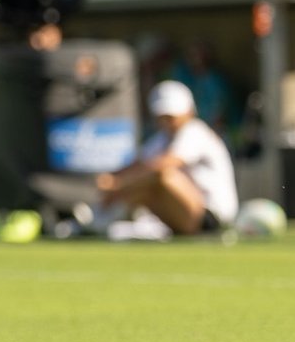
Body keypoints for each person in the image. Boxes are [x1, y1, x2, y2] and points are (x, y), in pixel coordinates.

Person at [97, 81, 238, 237]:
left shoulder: (195, 131)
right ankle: (103, 220)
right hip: (186, 214)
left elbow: (165, 164)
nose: (167, 122)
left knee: (164, 176)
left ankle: (103, 219)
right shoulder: (162, 138)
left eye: (171, 117)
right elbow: (139, 163)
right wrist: (110, 178)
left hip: (211, 216)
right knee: (148, 189)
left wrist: (118, 186)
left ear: (189, 111)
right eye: (163, 117)